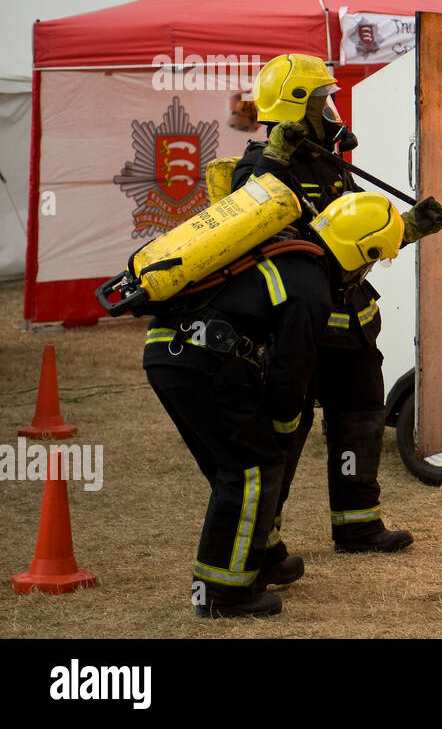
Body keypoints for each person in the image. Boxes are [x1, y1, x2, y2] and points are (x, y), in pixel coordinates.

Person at [143, 192, 406, 618]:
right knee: (253, 467)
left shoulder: (291, 251)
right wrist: (284, 428)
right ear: (359, 252)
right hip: (198, 362)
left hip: (172, 354)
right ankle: (220, 594)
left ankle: (260, 556)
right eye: (373, 260)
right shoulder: (313, 290)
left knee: (239, 467)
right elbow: (290, 375)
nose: (368, 272)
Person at [232, 54, 442, 556]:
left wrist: (408, 228)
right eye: (323, 101)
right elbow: (247, 215)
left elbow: (357, 233)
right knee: (286, 430)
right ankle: (264, 540)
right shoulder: (258, 168)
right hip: (297, 327)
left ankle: (358, 526)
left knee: (361, 419)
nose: (332, 110)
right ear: (294, 108)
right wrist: (276, 158)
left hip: (350, 322)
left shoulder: (329, 164)